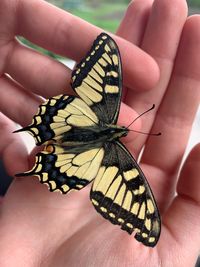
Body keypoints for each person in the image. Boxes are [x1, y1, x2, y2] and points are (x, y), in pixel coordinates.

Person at [0, 0, 200, 266]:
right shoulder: (121, 158)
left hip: (77, 122)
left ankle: (46, 143)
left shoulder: (109, 112)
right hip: (79, 160)